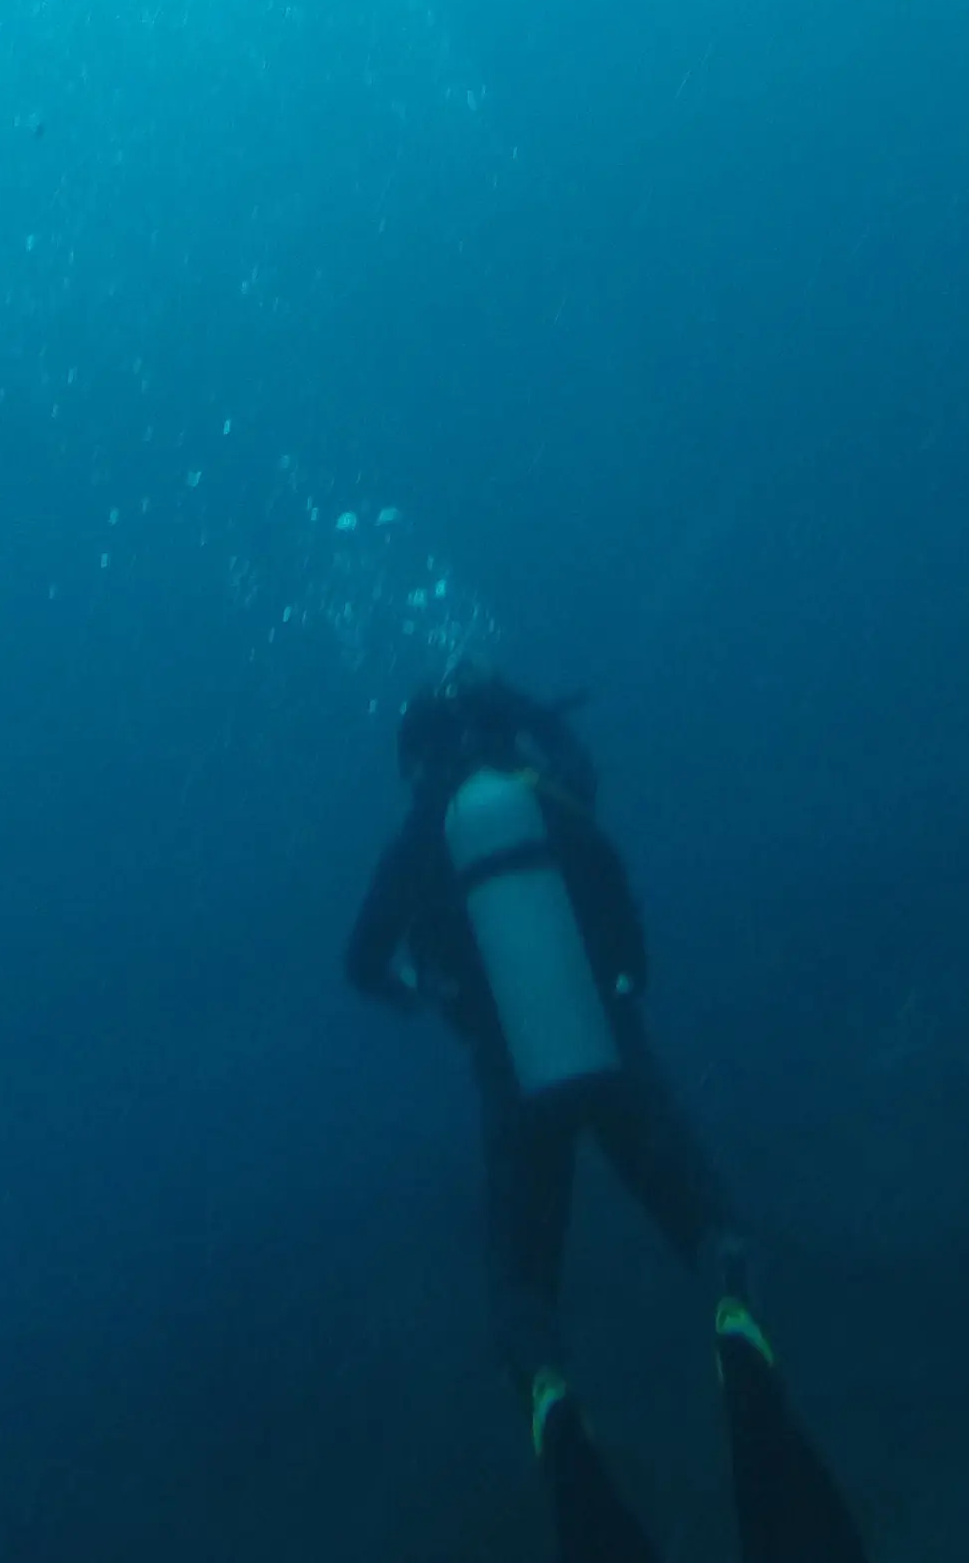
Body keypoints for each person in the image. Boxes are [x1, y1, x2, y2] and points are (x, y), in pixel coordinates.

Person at [346, 664, 863, 1563]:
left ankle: (554, 1411)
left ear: (415, 760)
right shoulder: (542, 793)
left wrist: (431, 996)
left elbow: (361, 962)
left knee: (521, 1291)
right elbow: (587, 777)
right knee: (711, 1229)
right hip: (613, 1056)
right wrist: (529, 716)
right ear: (484, 734)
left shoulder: (417, 843)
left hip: (515, 1088)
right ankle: (738, 1341)